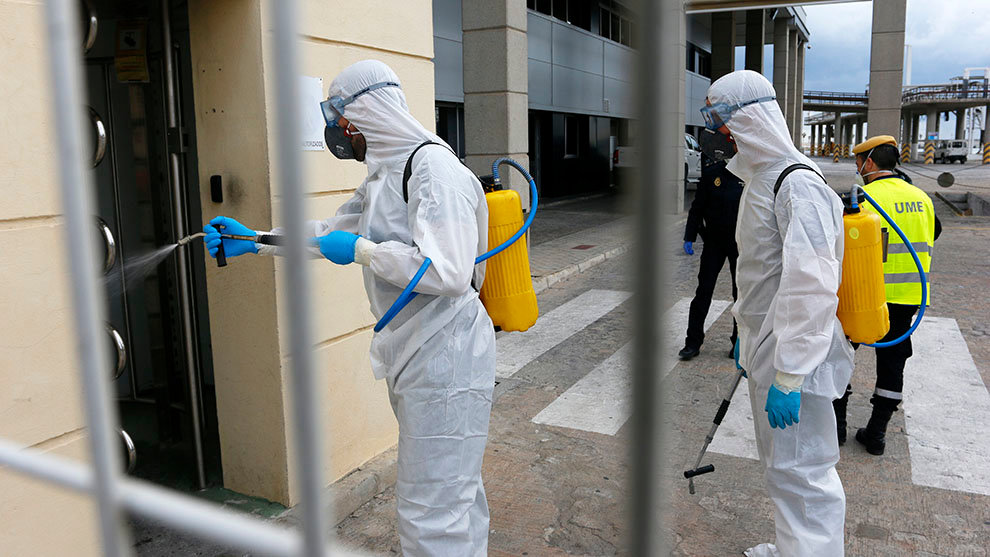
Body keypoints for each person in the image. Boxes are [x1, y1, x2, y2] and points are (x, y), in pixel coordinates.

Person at [204, 60, 496, 555]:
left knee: (431, 511)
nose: (340, 132)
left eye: (344, 121)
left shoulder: (433, 169)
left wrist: (364, 252)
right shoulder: (386, 174)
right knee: (453, 495)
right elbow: (329, 232)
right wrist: (256, 239)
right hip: (417, 351)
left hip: (447, 353)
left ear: (369, 113)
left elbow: (447, 271)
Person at [701, 70, 854, 557]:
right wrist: (748, 338)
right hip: (771, 346)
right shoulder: (762, 180)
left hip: (795, 358)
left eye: (724, 121)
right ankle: (796, 549)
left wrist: (789, 374)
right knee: (782, 467)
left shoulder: (796, 184)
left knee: (804, 471)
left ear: (750, 119)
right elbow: (761, 275)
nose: (721, 133)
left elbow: (811, 288)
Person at [832, 135, 939, 454]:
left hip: (861, 297)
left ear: (870, 163)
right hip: (907, 298)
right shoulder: (922, 198)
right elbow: (934, 233)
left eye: (858, 163)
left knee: (840, 356)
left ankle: (836, 429)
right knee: (893, 365)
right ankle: (876, 434)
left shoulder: (860, 197)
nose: (857, 168)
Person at [678, 155, 743, 361]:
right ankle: (692, 342)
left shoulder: (750, 175)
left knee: (740, 295)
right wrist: (690, 235)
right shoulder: (712, 173)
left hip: (739, 245)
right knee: (703, 292)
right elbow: (697, 208)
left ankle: (738, 344)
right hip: (713, 243)